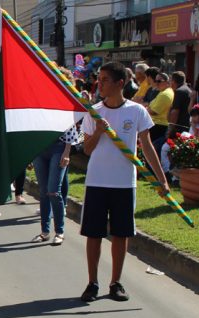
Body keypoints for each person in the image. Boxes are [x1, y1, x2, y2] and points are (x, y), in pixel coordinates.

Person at [79, 61, 169, 303]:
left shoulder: (136, 111)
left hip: (124, 183)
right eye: (99, 79)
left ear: (120, 83)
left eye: (105, 79)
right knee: (94, 234)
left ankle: (115, 282)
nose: (100, 83)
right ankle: (92, 282)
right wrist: (98, 131)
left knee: (121, 233)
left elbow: (147, 147)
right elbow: (87, 149)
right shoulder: (94, 111)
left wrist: (161, 179)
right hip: (97, 181)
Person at [31, 69, 81, 246]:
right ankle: (45, 231)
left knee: (54, 190)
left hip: (59, 147)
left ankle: (59, 231)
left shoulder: (65, 99)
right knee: (43, 191)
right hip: (39, 148)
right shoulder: (38, 98)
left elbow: (70, 126)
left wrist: (67, 152)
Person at [168, 71, 192, 137]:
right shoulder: (188, 90)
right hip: (187, 127)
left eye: (170, 80)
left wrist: (170, 129)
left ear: (173, 81)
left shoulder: (179, 92)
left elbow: (175, 112)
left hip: (179, 128)